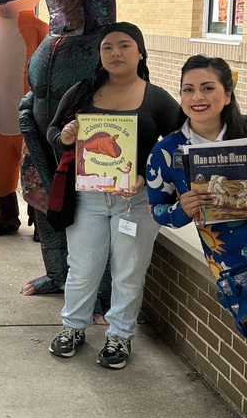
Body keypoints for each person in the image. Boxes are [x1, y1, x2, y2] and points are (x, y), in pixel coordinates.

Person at [46, 23, 180, 368]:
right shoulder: (82, 92)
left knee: (128, 271)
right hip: (88, 198)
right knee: (82, 268)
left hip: (137, 201)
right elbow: (53, 130)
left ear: (140, 53)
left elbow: (179, 147)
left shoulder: (157, 98)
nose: (115, 53)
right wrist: (65, 136)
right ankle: (73, 327)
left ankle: (120, 335)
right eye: (107, 47)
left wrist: (148, 176)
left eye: (124, 45)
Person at [147, 56, 247, 338]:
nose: (197, 97)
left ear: (227, 95)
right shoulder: (166, 152)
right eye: (188, 89)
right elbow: (156, 209)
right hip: (232, 266)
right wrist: (182, 209)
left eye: (207, 88)